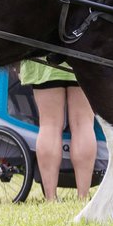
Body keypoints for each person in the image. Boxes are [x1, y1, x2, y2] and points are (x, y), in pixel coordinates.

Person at [19, 60, 95, 202]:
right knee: (83, 124)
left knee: (49, 125)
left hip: (45, 63)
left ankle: (51, 198)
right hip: (83, 59)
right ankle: (83, 196)